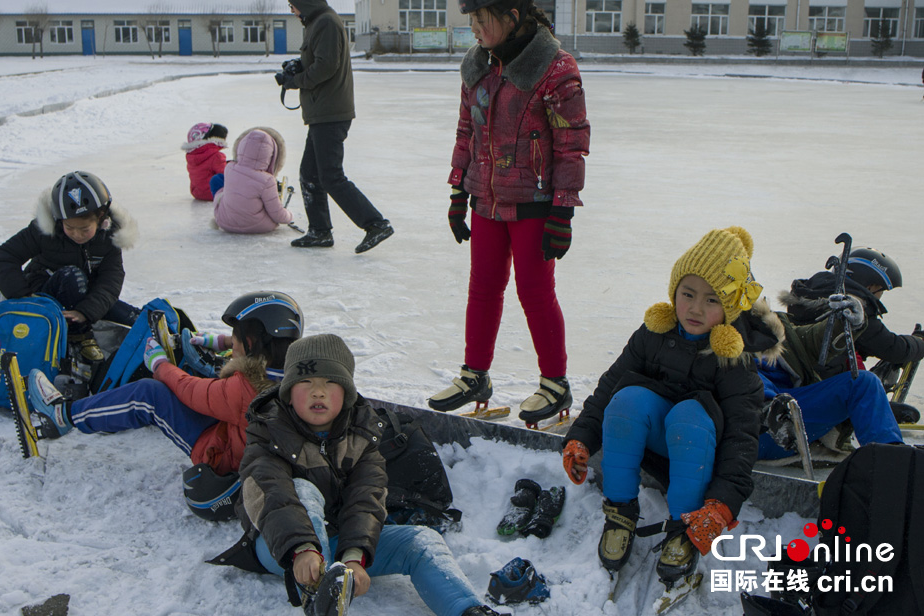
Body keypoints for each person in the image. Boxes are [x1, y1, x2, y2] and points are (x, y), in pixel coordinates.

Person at [214, 333, 506, 616]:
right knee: (301, 489)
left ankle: (468, 609)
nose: (319, 391)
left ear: (347, 393)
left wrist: (355, 555)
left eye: (331, 382)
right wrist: (301, 549)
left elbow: (366, 498)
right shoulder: (268, 432)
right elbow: (271, 493)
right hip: (283, 548)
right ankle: (318, 595)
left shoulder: (364, 434)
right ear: (289, 393)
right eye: (305, 381)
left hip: (342, 544)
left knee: (421, 541)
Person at [561, 227, 781, 590]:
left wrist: (722, 504)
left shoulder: (734, 360)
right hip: (656, 440)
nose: (695, 308)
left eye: (712, 300)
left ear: (728, 308)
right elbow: (607, 388)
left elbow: (742, 438)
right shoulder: (652, 334)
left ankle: (684, 524)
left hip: (699, 450)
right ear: (673, 292)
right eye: (687, 294)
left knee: (690, 415)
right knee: (627, 398)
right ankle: (620, 512)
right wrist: (580, 438)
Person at [428, 0, 590, 425]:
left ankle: (555, 382)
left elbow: (571, 144)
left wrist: (563, 211)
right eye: (472, 21)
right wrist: (458, 191)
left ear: (513, 17)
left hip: (534, 202)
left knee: (535, 293)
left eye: (483, 20)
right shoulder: (477, 66)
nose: (475, 30)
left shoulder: (555, 69)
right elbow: (467, 131)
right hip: (486, 198)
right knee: (482, 288)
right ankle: (474, 375)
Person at [25, 291, 302, 483]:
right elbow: (246, 361)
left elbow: (191, 391)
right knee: (192, 377)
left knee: (150, 395)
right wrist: (219, 343)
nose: (234, 343)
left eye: (237, 338)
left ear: (252, 343)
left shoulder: (245, 390)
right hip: (237, 436)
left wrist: (159, 365)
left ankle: (64, 415)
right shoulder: (294, 374)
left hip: (221, 457)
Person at [283, 0, 394, 254]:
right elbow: (319, 60)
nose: (292, 10)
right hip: (323, 111)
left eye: (292, 5)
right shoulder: (317, 22)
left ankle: (376, 224)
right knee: (309, 174)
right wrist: (296, 69)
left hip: (330, 113)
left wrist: (295, 81)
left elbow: (326, 66)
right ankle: (319, 231)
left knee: (330, 175)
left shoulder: (326, 22)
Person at [0, 171, 140, 362]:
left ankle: (162, 332)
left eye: (84, 229)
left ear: (101, 217)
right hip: (46, 294)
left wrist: (86, 311)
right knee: (73, 276)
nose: (77, 235)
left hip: (84, 296)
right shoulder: (44, 231)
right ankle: (80, 337)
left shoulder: (109, 238)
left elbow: (110, 282)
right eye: (69, 228)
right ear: (58, 219)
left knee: (130, 316)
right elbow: (5, 256)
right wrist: (24, 296)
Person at [778, 246, 924, 423]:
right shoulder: (850, 310)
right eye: (880, 291)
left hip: (803, 385)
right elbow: (894, 348)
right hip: (832, 393)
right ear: (868, 285)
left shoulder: (809, 297)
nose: (879, 298)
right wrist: (919, 342)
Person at [756, 291, 904, 460]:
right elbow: (743, 379)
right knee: (749, 379)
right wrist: (769, 404)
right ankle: (771, 408)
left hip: (792, 415)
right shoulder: (723, 339)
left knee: (863, 382)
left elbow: (806, 341)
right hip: (754, 428)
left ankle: (892, 460)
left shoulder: (761, 324)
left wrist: (843, 323)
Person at [213, 127, 295, 234]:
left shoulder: (229, 168)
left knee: (222, 192)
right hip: (255, 225)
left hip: (225, 222)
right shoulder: (267, 180)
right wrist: (289, 216)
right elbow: (277, 214)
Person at [182, 122, 228, 201]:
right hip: (213, 192)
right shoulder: (216, 156)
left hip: (196, 192)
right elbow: (226, 174)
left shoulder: (192, 155)